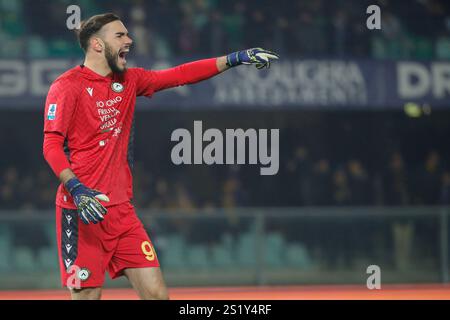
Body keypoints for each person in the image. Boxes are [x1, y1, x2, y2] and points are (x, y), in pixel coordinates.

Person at [42, 13, 278, 300]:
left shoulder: (130, 81)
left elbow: (180, 74)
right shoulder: (67, 86)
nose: (129, 40)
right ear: (97, 44)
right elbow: (51, 146)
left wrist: (234, 58)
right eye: (120, 35)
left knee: (157, 295)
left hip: (122, 213)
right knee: (88, 297)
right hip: (81, 211)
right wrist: (77, 190)